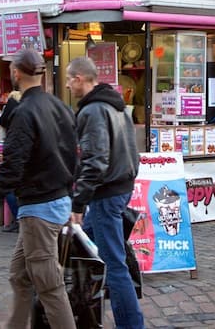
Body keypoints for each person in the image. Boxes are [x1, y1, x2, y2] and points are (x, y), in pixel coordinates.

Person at [0, 48, 78, 329]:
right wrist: (70, 198)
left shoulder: (25, 113)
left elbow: (11, 167)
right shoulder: (60, 107)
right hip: (52, 202)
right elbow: (73, 156)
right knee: (20, 276)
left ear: (16, 73)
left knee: (49, 285)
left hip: (39, 208)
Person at [64, 57, 145, 329]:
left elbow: (95, 160)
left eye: (68, 79)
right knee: (89, 254)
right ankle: (85, 314)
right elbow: (131, 153)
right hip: (117, 188)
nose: (66, 84)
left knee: (113, 264)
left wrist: (79, 202)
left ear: (79, 79)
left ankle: (130, 325)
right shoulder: (116, 105)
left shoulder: (94, 110)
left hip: (105, 194)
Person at [0, 90, 22, 233]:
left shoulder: (8, 111)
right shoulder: (30, 109)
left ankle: (19, 218)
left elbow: (2, 128)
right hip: (26, 156)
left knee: (8, 188)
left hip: (13, 155)